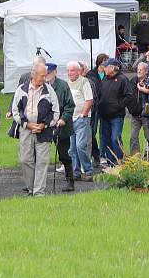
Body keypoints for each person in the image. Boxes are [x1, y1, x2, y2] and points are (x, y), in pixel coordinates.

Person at [11, 62, 60, 197]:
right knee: (25, 159)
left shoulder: (49, 90)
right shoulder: (21, 89)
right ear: (33, 75)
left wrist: (44, 125)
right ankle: (31, 188)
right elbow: (15, 110)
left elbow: (56, 112)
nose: (44, 78)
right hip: (26, 129)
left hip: (44, 131)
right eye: (42, 76)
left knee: (42, 162)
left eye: (46, 75)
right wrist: (27, 124)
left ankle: (39, 193)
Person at [97, 58, 134, 166]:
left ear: (112, 68)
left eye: (106, 66)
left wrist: (119, 106)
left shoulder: (122, 79)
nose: (104, 68)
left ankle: (119, 161)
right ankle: (111, 163)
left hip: (116, 116)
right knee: (107, 140)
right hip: (104, 115)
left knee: (115, 139)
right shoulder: (105, 79)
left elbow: (129, 96)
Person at [45, 63, 76, 192]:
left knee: (63, 154)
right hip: (45, 125)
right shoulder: (42, 86)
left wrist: (63, 119)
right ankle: (35, 183)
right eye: (45, 72)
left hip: (61, 126)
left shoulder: (63, 85)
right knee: (38, 154)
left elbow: (70, 105)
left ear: (55, 72)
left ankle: (70, 180)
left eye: (49, 72)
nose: (46, 75)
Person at [67, 61, 94, 181]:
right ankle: (75, 172)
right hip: (70, 119)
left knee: (80, 145)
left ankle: (88, 170)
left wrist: (83, 115)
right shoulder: (67, 83)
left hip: (81, 119)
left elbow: (89, 100)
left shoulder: (84, 82)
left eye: (72, 70)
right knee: (72, 148)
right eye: (68, 70)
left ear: (78, 71)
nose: (70, 73)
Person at [86, 54, 106, 167]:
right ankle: (96, 155)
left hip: (106, 107)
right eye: (104, 63)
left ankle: (102, 155)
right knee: (92, 133)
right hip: (95, 107)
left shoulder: (109, 74)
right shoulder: (91, 75)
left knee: (104, 133)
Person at [128, 62, 149, 156]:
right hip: (135, 115)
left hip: (147, 115)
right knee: (133, 136)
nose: (139, 71)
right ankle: (134, 157)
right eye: (138, 69)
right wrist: (131, 108)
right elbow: (128, 96)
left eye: (141, 69)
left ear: (146, 71)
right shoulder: (133, 81)